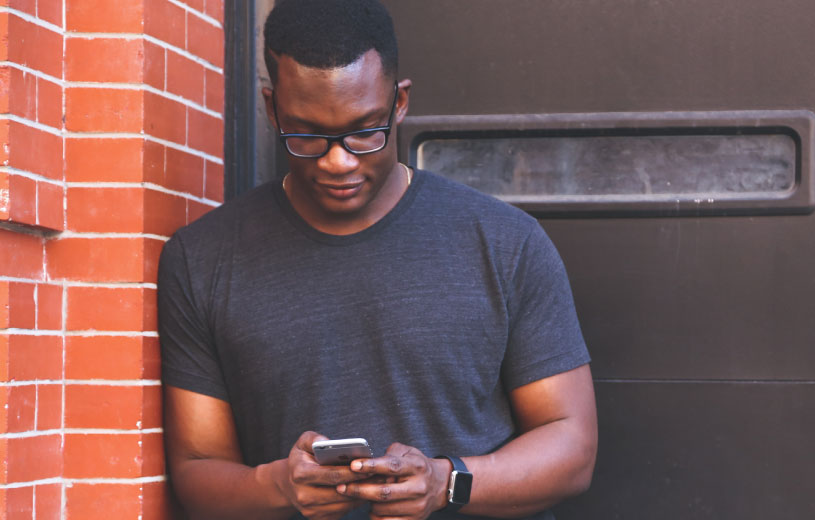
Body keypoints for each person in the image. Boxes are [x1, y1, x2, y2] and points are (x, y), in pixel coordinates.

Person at [156, 1, 597, 519]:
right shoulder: (202, 258)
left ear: (399, 102)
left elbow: (572, 448)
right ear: (272, 110)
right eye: (307, 135)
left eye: (366, 131)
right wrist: (277, 484)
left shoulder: (505, 242)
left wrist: (446, 482)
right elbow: (197, 472)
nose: (338, 160)